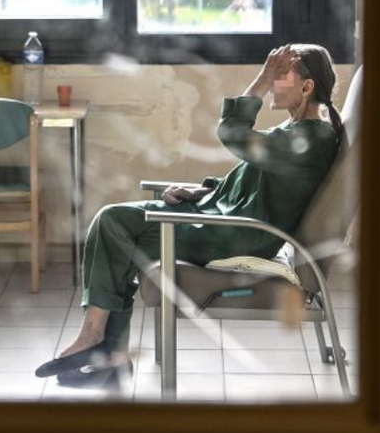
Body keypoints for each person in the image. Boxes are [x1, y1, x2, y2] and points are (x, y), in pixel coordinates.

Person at [35, 44, 345, 388]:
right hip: (224, 217)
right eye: (271, 76)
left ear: (307, 87)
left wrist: (258, 81)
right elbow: (257, 177)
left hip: (235, 235)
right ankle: (108, 353)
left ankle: (97, 340)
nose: (272, 83)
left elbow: (233, 134)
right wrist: (205, 191)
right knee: (116, 225)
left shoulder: (312, 137)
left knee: (114, 224)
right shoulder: (302, 133)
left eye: (279, 75)